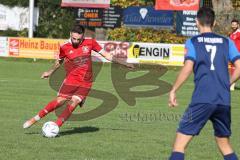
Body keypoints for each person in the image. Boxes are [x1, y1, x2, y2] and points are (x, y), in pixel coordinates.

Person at [23, 24, 133, 129]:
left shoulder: (90, 42)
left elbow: (106, 55)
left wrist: (123, 63)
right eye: (74, 38)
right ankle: (35, 119)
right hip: (71, 80)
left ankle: (56, 126)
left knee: (74, 102)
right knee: (60, 101)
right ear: (70, 34)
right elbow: (59, 62)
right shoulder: (64, 47)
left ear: (83, 36)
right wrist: (50, 71)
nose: (76, 41)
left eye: (78, 39)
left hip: (86, 81)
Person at [168, 7, 240, 160]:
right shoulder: (227, 41)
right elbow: (239, 66)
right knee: (224, 145)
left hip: (202, 99)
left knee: (179, 145)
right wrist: (227, 84)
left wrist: (174, 90)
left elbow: (188, 67)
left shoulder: (193, 42)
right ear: (214, 22)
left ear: (196, 22)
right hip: (223, 101)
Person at [229, 19, 240, 90]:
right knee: (232, 69)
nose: (233, 26)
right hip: (232, 55)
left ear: (238, 25)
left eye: (235, 24)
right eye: (232, 24)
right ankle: (232, 84)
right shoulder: (231, 34)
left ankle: (232, 84)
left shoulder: (239, 33)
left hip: (238, 54)